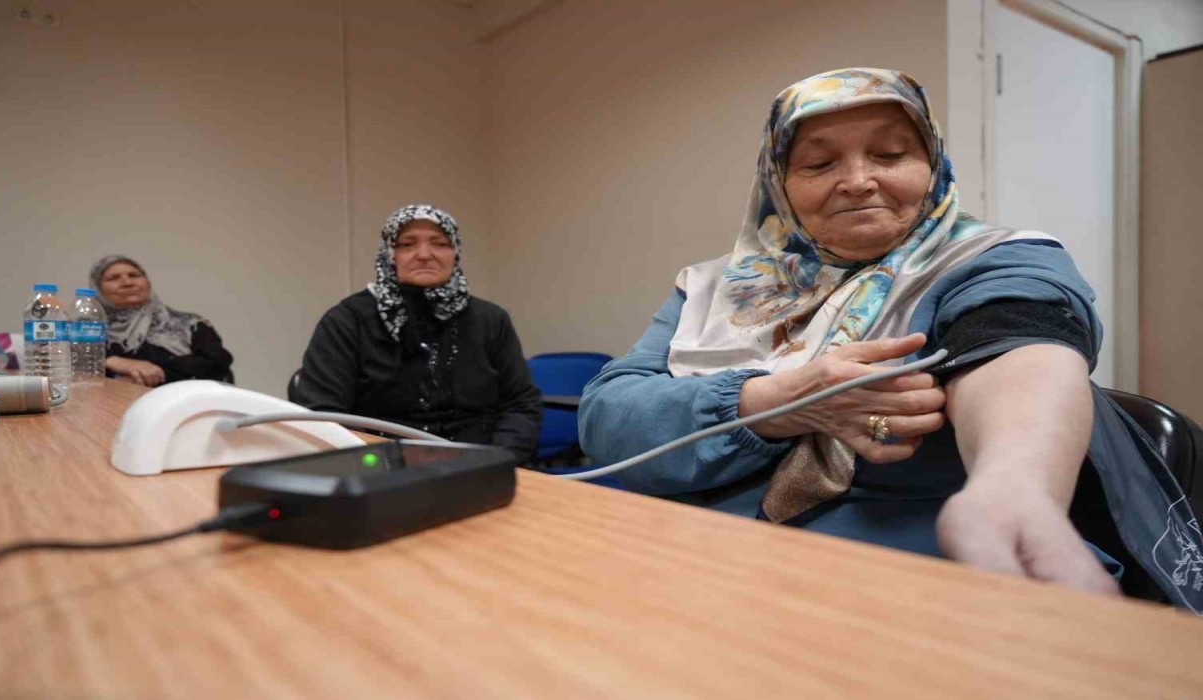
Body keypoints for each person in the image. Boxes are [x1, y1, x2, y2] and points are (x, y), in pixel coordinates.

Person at [579, 67, 1203, 607]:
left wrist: (1014, 486)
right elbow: (609, 418)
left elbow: (1019, 344)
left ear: (932, 165)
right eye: (818, 163)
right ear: (778, 183)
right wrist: (780, 399)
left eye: (890, 154)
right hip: (690, 552)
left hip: (904, 564)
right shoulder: (715, 287)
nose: (856, 180)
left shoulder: (995, 260)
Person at [291, 203, 542, 465]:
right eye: (407, 244)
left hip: (485, 467)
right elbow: (322, 415)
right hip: (381, 471)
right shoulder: (347, 321)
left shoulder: (491, 320)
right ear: (389, 254)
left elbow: (521, 404)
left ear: (455, 253)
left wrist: (499, 460)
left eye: (440, 243)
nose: (424, 254)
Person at [89, 255, 234, 386]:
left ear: (147, 282)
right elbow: (78, 365)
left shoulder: (189, 324)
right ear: (97, 289)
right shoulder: (88, 329)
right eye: (113, 278)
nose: (127, 282)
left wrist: (157, 372)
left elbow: (217, 361)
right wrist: (113, 361)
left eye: (134, 275)